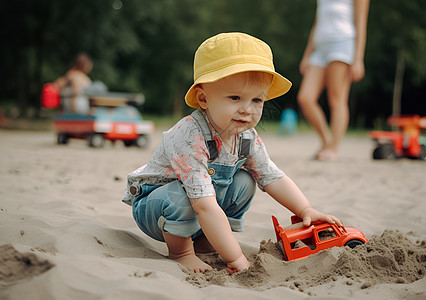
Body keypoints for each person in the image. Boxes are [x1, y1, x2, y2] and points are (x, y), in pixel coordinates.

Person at [122, 32, 343, 274]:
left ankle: (206, 243)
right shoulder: (188, 136)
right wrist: (235, 257)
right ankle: (181, 252)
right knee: (184, 195)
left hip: (200, 208)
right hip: (156, 208)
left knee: (246, 181)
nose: (247, 110)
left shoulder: (246, 137)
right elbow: (203, 205)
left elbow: (272, 176)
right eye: (235, 97)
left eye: (257, 100)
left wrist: (305, 210)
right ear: (204, 98)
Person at [297, 0, 370, 160]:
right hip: (320, 47)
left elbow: (361, 22)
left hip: (342, 43)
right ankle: (327, 141)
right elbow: (317, 23)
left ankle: (333, 148)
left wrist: (358, 58)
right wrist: (307, 55)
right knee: (305, 98)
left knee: (336, 100)